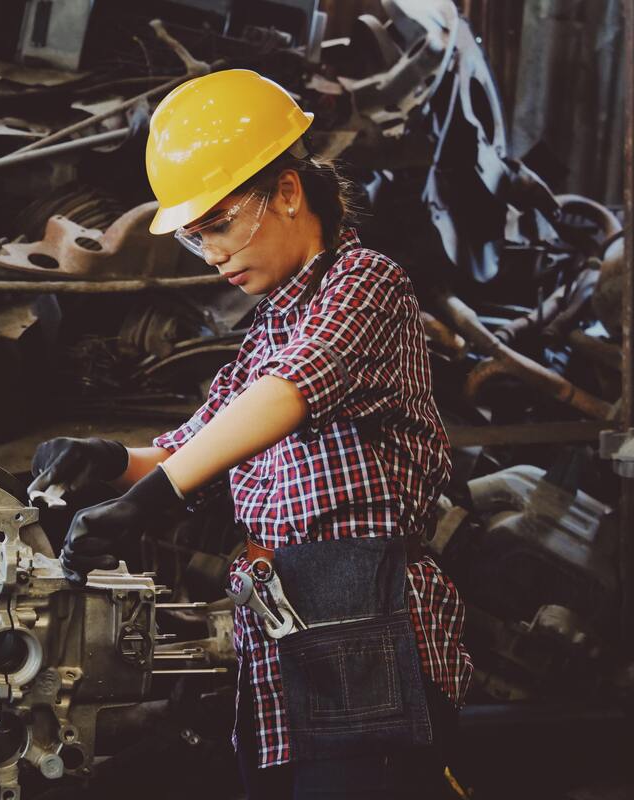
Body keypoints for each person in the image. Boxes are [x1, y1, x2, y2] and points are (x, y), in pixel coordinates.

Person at [28, 69, 473, 799]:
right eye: (198, 237)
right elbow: (190, 446)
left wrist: (154, 499)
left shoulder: (365, 283)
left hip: (366, 625)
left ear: (289, 192)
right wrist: (107, 462)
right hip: (281, 631)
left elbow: (290, 392)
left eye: (221, 224)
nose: (212, 255)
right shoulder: (268, 330)